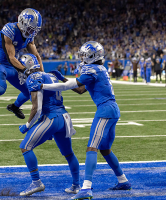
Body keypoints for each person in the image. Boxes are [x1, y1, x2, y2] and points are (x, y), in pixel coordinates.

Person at [34, 41, 131, 200]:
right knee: (105, 149)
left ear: (92, 56)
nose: (82, 58)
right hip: (112, 110)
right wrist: (64, 78)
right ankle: (123, 180)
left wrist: (44, 86)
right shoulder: (100, 69)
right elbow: (80, 89)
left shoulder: (93, 69)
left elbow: (72, 85)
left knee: (91, 148)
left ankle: (86, 188)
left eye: (85, 55)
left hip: (105, 110)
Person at [17, 54, 79, 196]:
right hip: (64, 117)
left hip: (51, 117)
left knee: (25, 147)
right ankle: (76, 185)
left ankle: (36, 182)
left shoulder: (33, 77)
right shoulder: (50, 75)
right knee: (69, 154)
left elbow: (37, 108)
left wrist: (27, 125)